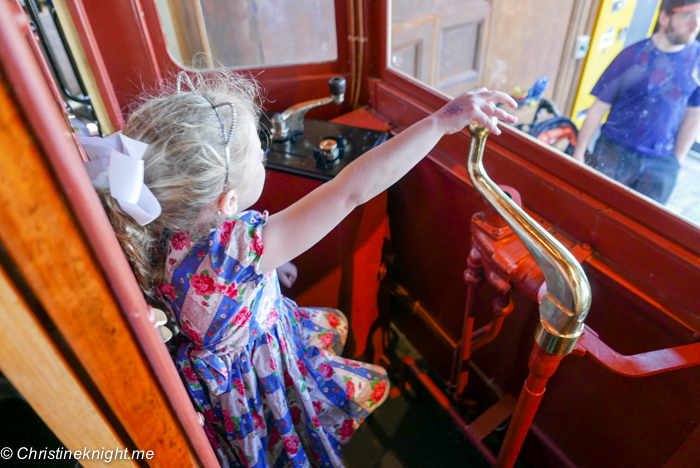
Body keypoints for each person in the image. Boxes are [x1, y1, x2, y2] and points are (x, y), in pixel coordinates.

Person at [81, 72, 516, 468]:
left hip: (216, 386)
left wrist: (271, 266)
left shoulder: (152, 222)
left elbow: (213, 279)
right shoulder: (243, 248)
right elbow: (350, 190)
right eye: (258, 154)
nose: (262, 159)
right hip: (258, 370)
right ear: (228, 201)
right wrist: (442, 121)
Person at [572, 0, 700, 203]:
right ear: (665, 17)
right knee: (596, 208)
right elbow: (598, 108)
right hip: (613, 153)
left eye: (699, 17)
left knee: (645, 224)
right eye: (688, 17)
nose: (696, 25)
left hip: (662, 163)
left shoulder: (697, 59)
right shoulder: (631, 56)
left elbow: (694, 112)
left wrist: (677, 158)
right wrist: (579, 152)